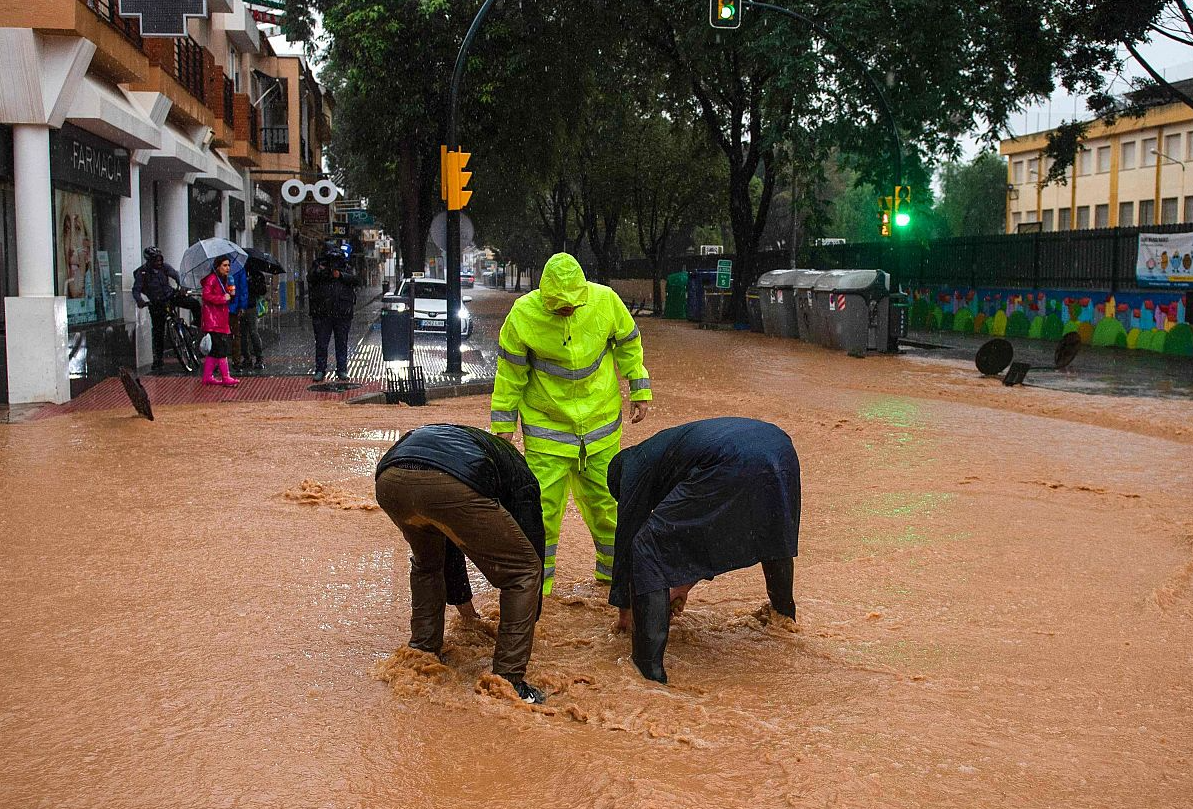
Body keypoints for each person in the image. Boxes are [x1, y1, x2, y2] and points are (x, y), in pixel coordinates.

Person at [490, 252, 652, 595]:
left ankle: (614, 582)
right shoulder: (523, 315)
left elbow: (629, 344)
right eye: (558, 306)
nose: (566, 310)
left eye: (572, 305)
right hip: (548, 434)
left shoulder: (605, 301)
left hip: (601, 427)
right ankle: (536, 590)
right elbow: (510, 375)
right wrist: (502, 424)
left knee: (609, 507)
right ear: (544, 296)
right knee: (540, 512)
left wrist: (639, 387)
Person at [606, 417, 801, 684]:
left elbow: (628, 539)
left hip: (733, 458)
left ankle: (646, 673)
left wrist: (626, 611)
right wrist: (683, 585)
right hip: (779, 449)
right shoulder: (665, 451)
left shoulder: (631, 467)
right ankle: (784, 619)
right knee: (771, 529)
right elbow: (707, 528)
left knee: (647, 545)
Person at [374, 424, 548, 704]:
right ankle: (508, 682)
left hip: (390, 480)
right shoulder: (521, 475)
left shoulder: (473, 445)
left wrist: (466, 610)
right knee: (524, 571)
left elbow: (451, 539)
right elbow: (532, 540)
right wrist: (533, 613)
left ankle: (422, 652)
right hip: (447, 483)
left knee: (427, 563)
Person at [132, 246, 201, 371]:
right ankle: (158, 360)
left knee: (194, 304)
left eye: (160, 260)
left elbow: (176, 275)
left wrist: (182, 287)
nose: (159, 263)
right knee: (158, 332)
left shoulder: (165, 267)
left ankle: (197, 324)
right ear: (149, 261)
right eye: (156, 260)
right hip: (156, 303)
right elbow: (136, 290)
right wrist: (140, 301)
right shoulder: (142, 273)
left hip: (171, 296)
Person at [308, 241, 362, 382]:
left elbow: (356, 280)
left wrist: (341, 275)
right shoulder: (318, 265)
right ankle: (320, 369)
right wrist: (322, 270)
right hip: (322, 312)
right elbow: (311, 278)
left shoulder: (344, 264)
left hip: (342, 311)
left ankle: (342, 369)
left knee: (341, 343)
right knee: (321, 343)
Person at [200, 255, 240, 387]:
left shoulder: (225, 280)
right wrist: (222, 298)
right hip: (213, 321)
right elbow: (206, 296)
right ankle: (225, 376)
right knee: (221, 349)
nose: (227, 268)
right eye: (224, 265)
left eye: (228, 265)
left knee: (215, 351)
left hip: (221, 319)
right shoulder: (212, 279)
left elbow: (229, 298)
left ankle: (207, 377)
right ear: (217, 267)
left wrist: (231, 295)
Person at [238, 266, 268, 371]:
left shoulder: (257, 275)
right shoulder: (239, 272)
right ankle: (247, 358)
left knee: (253, 332)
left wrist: (251, 283)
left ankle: (259, 358)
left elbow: (263, 290)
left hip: (251, 306)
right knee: (242, 335)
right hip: (240, 307)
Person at [227, 259, 250, 371]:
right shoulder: (239, 267)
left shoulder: (216, 268)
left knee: (220, 336)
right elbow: (243, 288)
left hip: (224, 307)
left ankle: (218, 361)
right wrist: (242, 306)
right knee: (236, 335)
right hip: (233, 307)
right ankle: (236, 361)